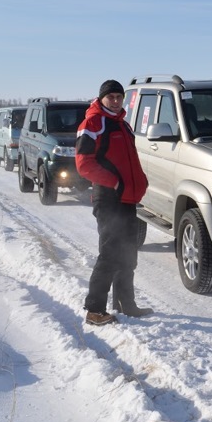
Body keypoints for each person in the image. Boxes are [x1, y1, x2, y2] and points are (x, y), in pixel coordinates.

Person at [76, 79, 152, 325]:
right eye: (111, 97)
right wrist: (114, 183)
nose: (116, 101)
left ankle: (125, 303)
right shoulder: (93, 123)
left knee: (128, 253)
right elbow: (84, 164)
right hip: (108, 198)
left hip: (127, 199)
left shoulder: (123, 125)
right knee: (109, 254)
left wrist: (140, 182)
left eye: (119, 97)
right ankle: (94, 310)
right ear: (102, 98)